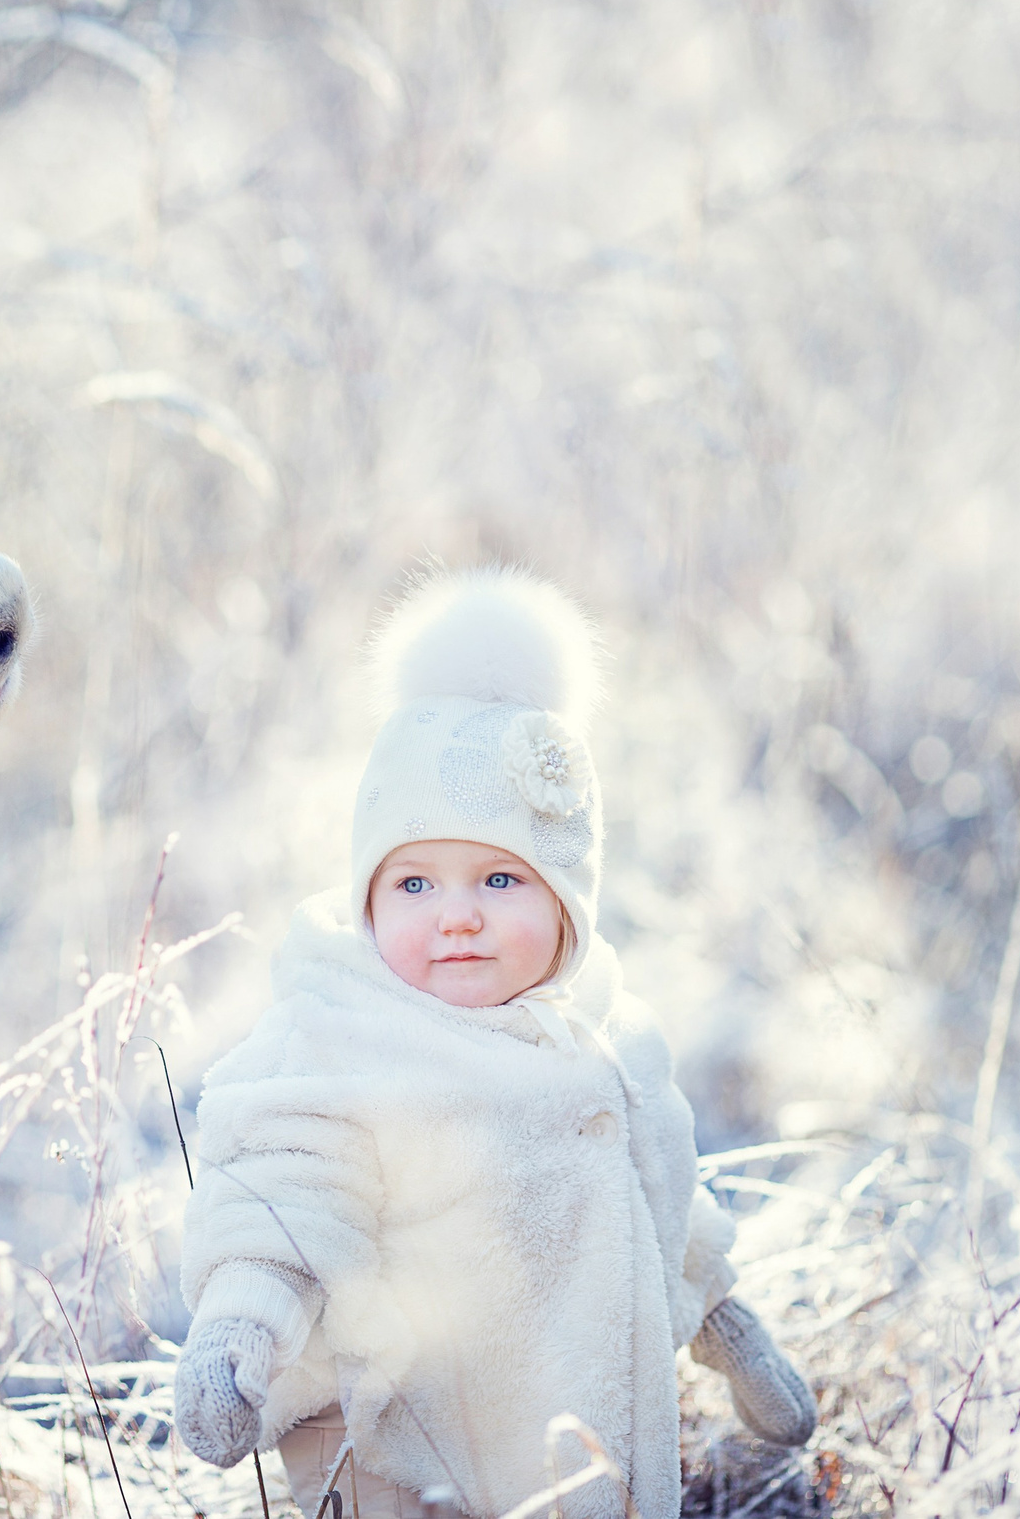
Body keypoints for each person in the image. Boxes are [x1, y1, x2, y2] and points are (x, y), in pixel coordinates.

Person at [172, 568, 815, 1519]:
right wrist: (239, 1330)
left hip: (582, 1441)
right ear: (367, 898)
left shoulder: (605, 1038)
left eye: (501, 881)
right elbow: (283, 1204)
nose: (457, 918)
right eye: (416, 885)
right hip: (401, 1452)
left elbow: (662, 1210)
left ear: (568, 899)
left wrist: (728, 1323)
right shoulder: (340, 1037)